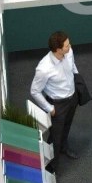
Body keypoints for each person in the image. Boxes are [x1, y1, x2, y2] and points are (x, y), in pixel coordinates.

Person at [30, 31, 81, 173]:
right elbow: (34, 91)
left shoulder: (68, 52)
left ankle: (64, 148)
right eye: (66, 45)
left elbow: (72, 66)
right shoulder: (44, 68)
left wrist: (77, 80)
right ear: (58, 49)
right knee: (55, 136)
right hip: (57, 105)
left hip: (72, 99)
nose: (70, 46)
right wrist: (50, 108)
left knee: (66, 127)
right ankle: (51, 166)